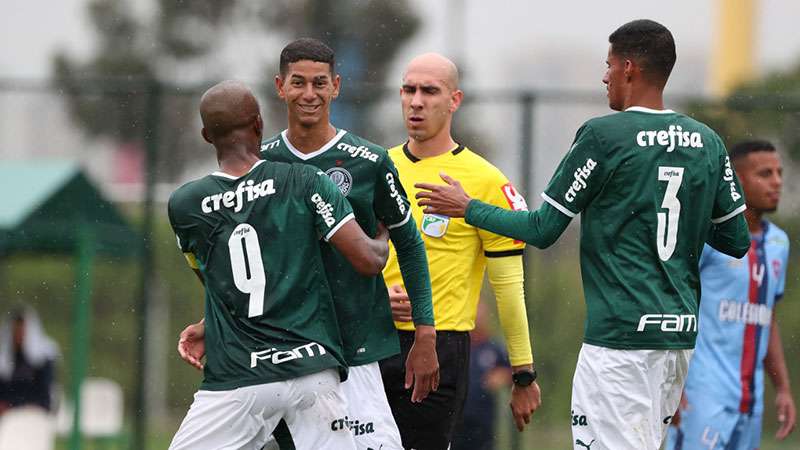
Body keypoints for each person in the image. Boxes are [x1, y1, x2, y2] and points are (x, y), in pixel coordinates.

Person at [415, 20, 751, 450]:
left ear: (628, 68)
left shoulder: (603, 136)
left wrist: (469, 208)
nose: (604, 76)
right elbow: (736, 240)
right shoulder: (707, 141)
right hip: (678, 340)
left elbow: (542, 229)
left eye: (609, 65)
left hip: (619, 342)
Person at [178, 39, 438, 450]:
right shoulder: (261, 166)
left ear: (336, 86)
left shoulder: (368, 161)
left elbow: (409, 242)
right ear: (280, 87)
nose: (310, 94)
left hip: (354, 348)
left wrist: (425, 333)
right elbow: (239, 264)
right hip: (281, 354)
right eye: (298, 83)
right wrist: (215, 322)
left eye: (320, 83)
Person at [380, 52, 540, 450]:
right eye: (409, 89)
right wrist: (372, 298)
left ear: (455, 100)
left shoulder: (485, 182)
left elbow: (508, 287)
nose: (416, 101)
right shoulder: (375, 168)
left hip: (440, 349)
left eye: (430, 91)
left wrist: (522, 373)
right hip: (367, 339)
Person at [666, 140, 796, 450]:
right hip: (702, 396)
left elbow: (768, 318)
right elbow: (674, 303)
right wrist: (672, 383)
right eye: (765, 174)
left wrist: (783, 388)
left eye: (779, 173)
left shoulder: (780, 243)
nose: (777, 182)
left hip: (751, 402)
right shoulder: (708, 238)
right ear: (736, 181)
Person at [451, 303, 512, 450]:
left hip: (482, 421)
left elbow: (515, 372)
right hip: (453, 419)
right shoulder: (455, 343)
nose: (478, 315)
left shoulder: (493, 347)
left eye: (481, 310)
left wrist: (501, 376)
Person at [0, 306, 59, 450]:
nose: (18, 334)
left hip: (33, 415)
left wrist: (15, 408)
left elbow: (44, 396)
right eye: (16, 330)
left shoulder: (44, 358)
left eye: (22, 330)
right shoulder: (5, 358)